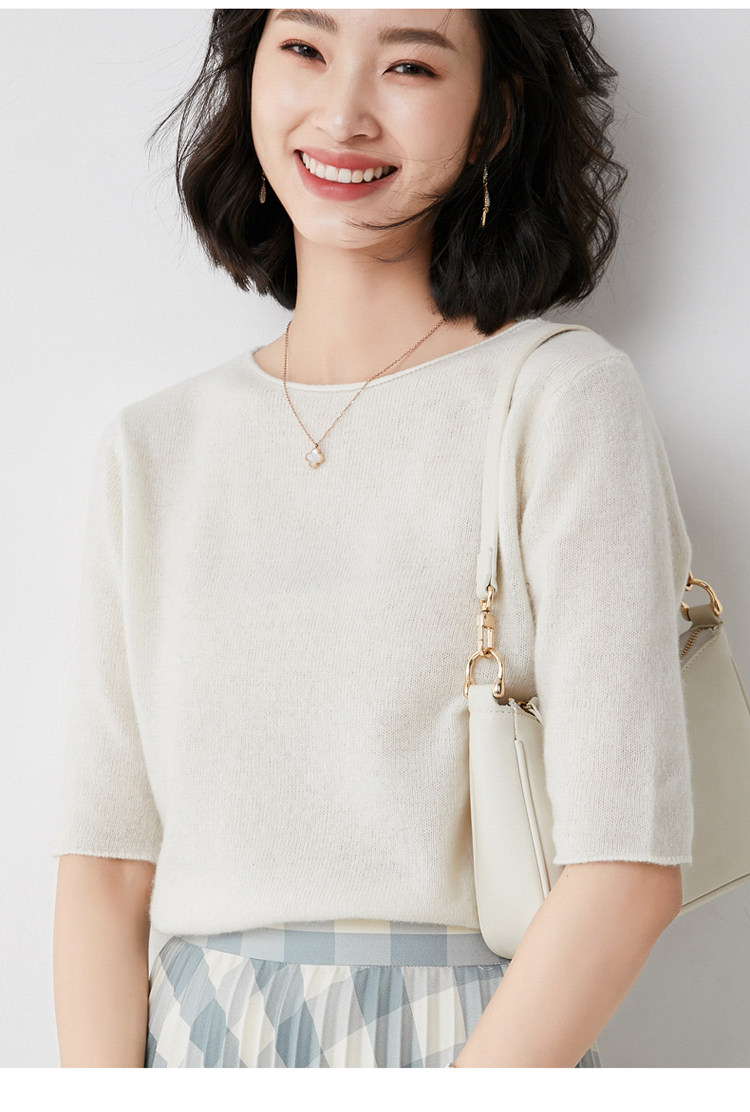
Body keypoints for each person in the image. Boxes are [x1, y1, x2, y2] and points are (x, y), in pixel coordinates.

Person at [52, 9, 694, 1068]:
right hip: (196, 1040)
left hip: (472, 1042)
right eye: (304, 49)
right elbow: (107, 863)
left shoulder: (559, 400)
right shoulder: (155, 445)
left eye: (409, 66)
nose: (343, 113)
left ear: (496, 117)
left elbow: (627, 865)